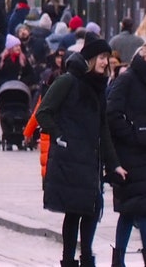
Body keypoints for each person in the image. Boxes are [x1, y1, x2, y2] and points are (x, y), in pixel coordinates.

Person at [39, 36, 123, 267]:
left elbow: (102, 127)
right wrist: (60, 135)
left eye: (108, 58)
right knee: (75, 210)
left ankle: (86, 257)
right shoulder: (68, 81)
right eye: (103, 58)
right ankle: (68, 259)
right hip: (71, 157)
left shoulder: (98, 87)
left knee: (92, 208)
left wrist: (113, 163)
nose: (106, 62)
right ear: (91, 59)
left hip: (90, 159)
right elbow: (44, 112)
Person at [107, 39, 146, 267]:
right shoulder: (128, 80)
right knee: (130, 208)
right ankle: (123, 258)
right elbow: (112, 113)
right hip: (129, 153)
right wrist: (132, 135)